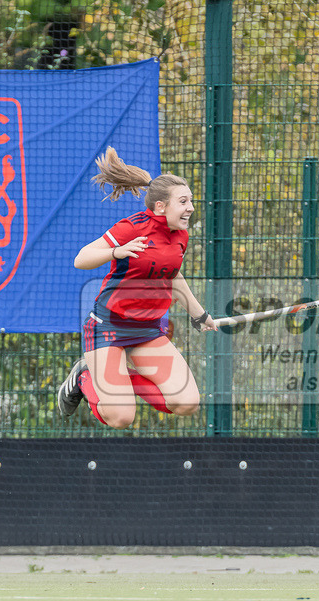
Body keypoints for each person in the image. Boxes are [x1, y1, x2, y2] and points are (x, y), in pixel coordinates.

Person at [55, 147, 217, 429]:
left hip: (147, 329)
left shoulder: (181, 235)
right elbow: (81, 259)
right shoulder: (132, 227)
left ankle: (113, 379)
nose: (191, 207)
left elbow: (173, 277)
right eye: (183, 201)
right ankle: (86, 376)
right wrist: (117, 251)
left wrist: (199, 313)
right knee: (121, 417)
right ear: (161, 207)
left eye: (190, 200)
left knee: (187, 401)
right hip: (110, 326)